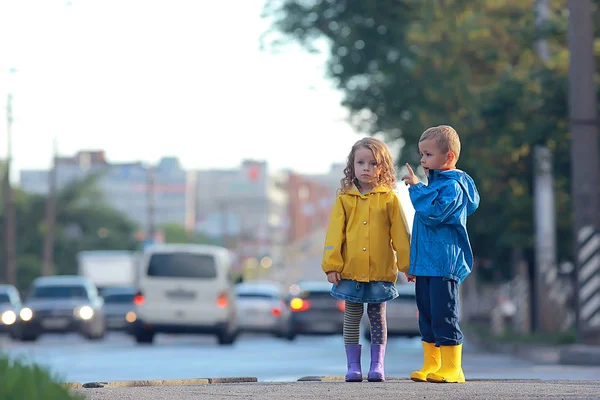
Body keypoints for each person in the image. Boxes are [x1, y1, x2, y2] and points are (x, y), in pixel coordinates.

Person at [322, 137, 412, 382]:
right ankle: (353, 366)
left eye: (373, 163)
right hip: (349, 273)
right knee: (351, 319)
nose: (366, 168)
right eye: (361, 162)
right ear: (352, 165)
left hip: (380, 273)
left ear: (383, 168)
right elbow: (334, 234)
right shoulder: (344, 199)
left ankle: (377, 365)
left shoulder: (390, 199)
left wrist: (407, 266)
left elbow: (401, 236)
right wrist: (332, 266)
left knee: (377, 319)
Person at [401, 125, 480, 383]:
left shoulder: (453, 187)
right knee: (427, 316)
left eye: (428, 154)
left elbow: (435, 214)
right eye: (421, 154)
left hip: (444, 264)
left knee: (445, 315)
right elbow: (422, 231)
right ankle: (431, 364)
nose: (423, 160)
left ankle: (453, 368)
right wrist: (414, 264)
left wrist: (415, 188)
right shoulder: (434, 185)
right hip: (426, 264)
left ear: (448, 157)